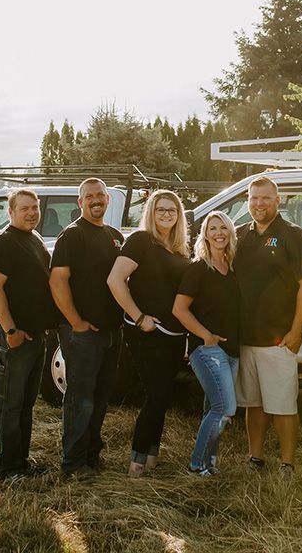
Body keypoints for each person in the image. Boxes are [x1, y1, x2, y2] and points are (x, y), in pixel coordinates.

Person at [233, 176, 302, 475]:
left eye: (266, 198)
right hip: (246, 338)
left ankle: (287, 463)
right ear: (248, 200)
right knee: (253, 405)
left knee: (283, 406)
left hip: (280, 339)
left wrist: (297, 331)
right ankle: (255, 457)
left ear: (278, 200)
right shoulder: (240, 235)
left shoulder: (293, 235)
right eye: (254, 198)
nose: (259, 204)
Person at [107, 190, 191, 476]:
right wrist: (139, 316)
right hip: (147, 331)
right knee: (155, 395)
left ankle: (152, 455)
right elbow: (115, 280)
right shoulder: (141, 240)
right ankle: (136, 464)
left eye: (172, 210)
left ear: (179, 215)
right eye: (160, 209)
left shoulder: (179, 249)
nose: (166, 214)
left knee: (164, 395)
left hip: (175, 334)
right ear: (151, 213)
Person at [49, 178, 125, 477]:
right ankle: (73, 462)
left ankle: (92, 455)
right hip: (81, 334)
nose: (96, 200)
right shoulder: (72, 235)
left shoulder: (114, 236)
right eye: (89, 196)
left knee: (101, 395)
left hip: (111, 332)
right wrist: (76, 322)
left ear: (108, 200)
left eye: (100, 195)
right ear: (80, 203)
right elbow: (57, 281)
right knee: (80, 398)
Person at [0, 188, 59, 485]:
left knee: (26, 402)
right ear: (11, 212)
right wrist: (11, 331)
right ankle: (6, 467)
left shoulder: (34, 239)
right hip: (13, 336)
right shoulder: (3, 243)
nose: (31, 213)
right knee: (9, 403)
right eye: (25, 208)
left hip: (34, 335)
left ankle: (20, 461)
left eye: (35, 208)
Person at [173, 211, 241, 476]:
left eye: (223, 228)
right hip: (208, 350)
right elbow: (179, 309)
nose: (218, 233)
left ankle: (209, 465)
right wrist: (206, 336)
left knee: (213, 409)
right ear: (204, 234)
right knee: (225, 408)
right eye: (212, 228)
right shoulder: (198, 268)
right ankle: (196, 464)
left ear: (231, 233)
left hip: (233, 349)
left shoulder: (233, 268)